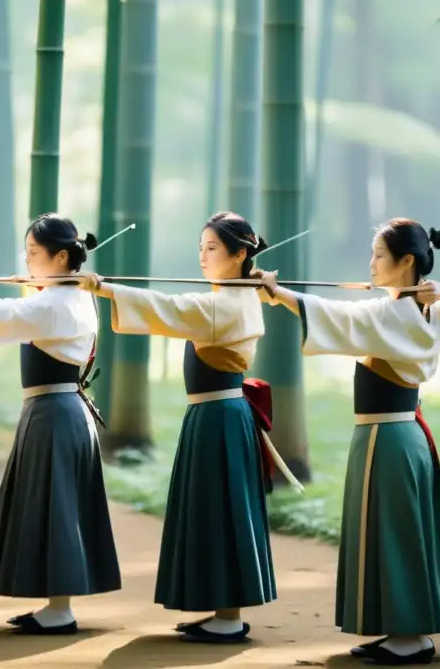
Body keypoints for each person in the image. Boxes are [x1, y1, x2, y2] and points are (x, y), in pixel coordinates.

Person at [256, 219, 440, 665]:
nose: (371, 263)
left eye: (379, 256)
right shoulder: (435, 311)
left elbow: (336, 314)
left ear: (407, 261)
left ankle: (408, 637)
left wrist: (276, 291)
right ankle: (403, 631)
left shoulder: (394, 313)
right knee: (393, 531)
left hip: (388, 437)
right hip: (399, 436)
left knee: (395, 533)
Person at [76, 211, 277, 645]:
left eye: (212, 249)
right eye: (201, 247)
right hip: (216, 418)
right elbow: (179, 307)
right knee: (216, 509)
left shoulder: (225, 304)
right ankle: (222, 610)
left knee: (221, 510)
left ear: (240, 254)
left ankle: (228, 616)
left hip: (220, 420)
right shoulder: (235, 297)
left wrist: (104, 288)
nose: (202, 257)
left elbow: (167, 307)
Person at [0, 212, 121, 635]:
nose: (28, 260)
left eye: (35, 253)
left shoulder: (56, 301)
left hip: (56, 415)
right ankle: (55, 604)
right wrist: (35, 283)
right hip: (58, 413)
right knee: (54, 506)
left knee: (58, 509)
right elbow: (28, 309)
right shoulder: (70, 295)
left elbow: (8, 314)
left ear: (62, 256)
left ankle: (60, 609)